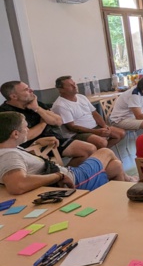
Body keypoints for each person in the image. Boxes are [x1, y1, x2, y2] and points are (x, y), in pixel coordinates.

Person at [0, 112, 134, 195]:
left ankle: (122, 194)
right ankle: (129, 182)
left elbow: (26, 165)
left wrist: (36, 143)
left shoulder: (11, 149)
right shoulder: (9, 156)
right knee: (105, 151)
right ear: (15, 134)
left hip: (68, 173)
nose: (28, 129)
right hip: (73, 181)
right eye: (25, 127)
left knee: (115, 166)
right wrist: (57, 176)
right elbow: (17, 185)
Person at [0, 81, 97, 166]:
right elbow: (26, 136)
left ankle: (67, 175)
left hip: (54, 140)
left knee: (90, 149)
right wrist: (43, 123)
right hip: (31, 148)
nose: (31, 90)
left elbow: (58, 121)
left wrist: (37, 108)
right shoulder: (6, 114)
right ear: (13, 96)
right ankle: (62, 177)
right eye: (26, 90)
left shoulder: (35, 104)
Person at [51, 76, 125, 149]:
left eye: (74, 83)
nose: (75, 86)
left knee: (120, 133)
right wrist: (96, 132)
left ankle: (99, 155)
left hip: (94, 127)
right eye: (70, 85)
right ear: (61, 90)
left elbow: (94, 113)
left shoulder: (81, 97)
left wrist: (104, 126)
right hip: (78, 133)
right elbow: (72, 127)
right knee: (102, 142)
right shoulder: (60, 105)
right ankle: (99, 156)